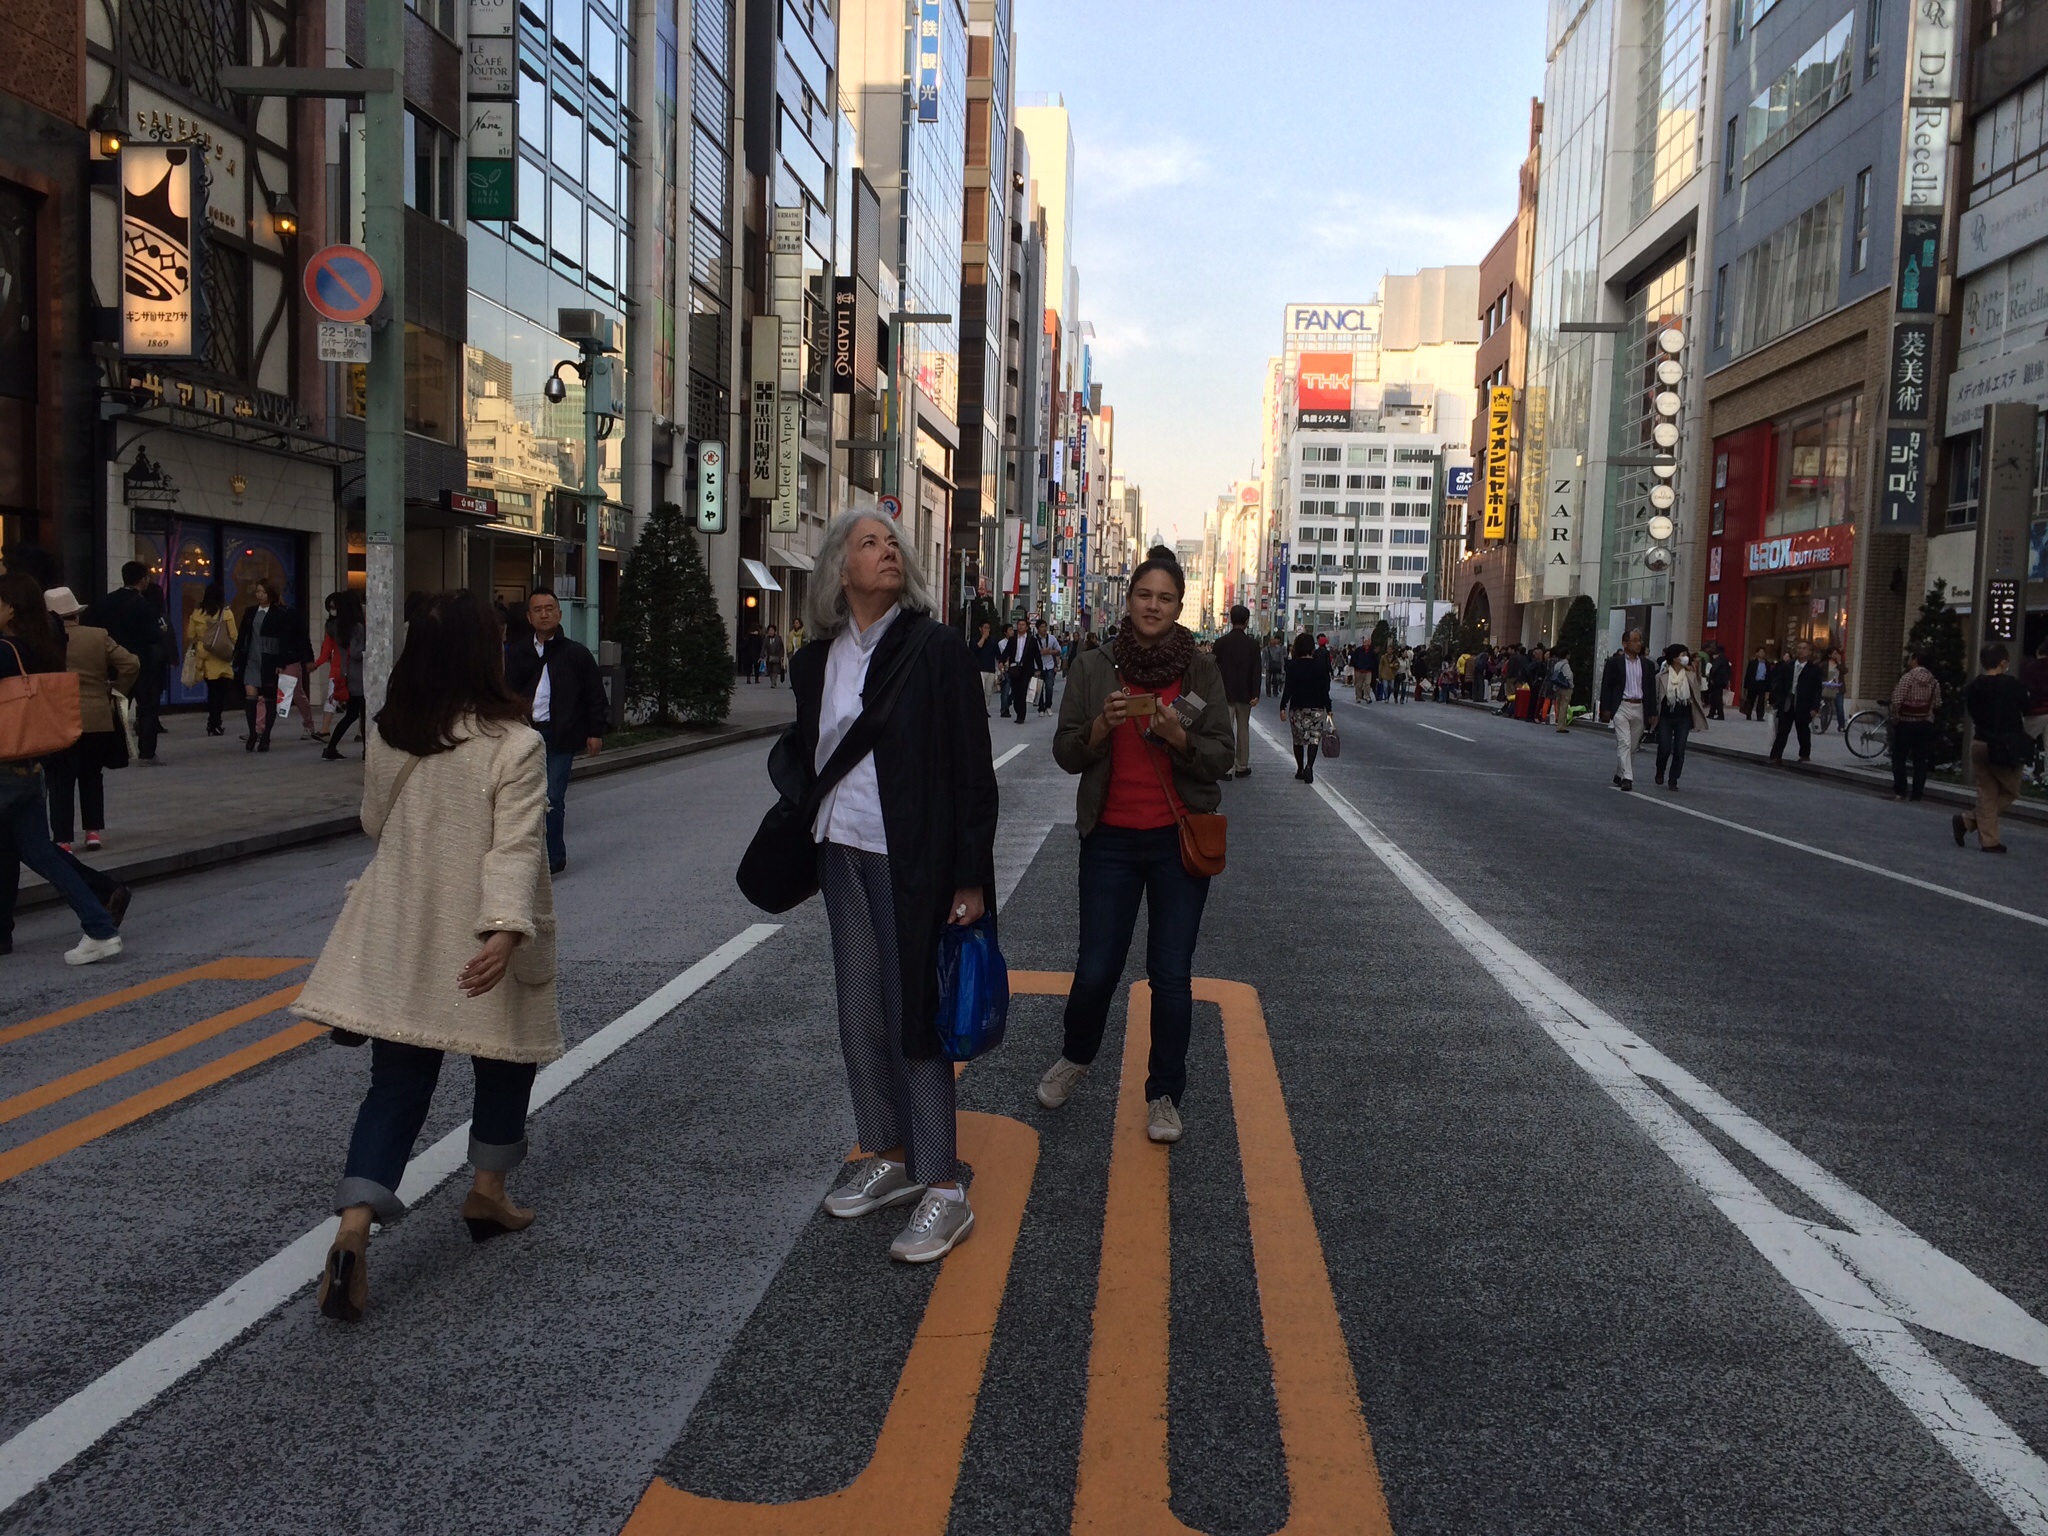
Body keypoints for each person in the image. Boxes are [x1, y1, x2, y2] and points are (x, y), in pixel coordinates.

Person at [294, 590, 560, 1323]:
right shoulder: (514, 744)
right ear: (484, 654)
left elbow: (374, 822)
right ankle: (488, 1192)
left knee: (397, 1083)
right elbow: (515, 846)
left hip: (404, 929)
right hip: (477, 929)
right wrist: (505, 928)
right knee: (504, 1055)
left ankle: (353, 1229)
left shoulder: (390, 736)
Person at [794, 510, 996, 1264]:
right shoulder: (817, 660)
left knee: (917, 1014)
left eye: (892, 543)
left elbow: (972, 769)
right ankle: (887, 1152)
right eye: (869, 543)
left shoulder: (935, 649)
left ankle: (943, 1185)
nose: (888, 552)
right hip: (839, 849)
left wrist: (971, 876)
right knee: (858, 1014)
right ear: (838, 569)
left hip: (911, 858)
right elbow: (809, 751)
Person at [1042, 547, 1231, 1146]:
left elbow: (1222, 755)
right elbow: (1066, 751)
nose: (1153, 606)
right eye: (1144, 595)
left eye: (1165, 598)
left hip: (1177, 839)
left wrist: (1178, 737)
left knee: (1171, 974)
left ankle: (1165, 1094)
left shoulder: (1200, 671)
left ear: (1179, 607)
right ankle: (1076, 1055)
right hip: (1110, 840)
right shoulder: (1094, 666)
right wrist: (1102, 726)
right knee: (1097, 966)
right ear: (1128, 600)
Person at [0, 574, 123, 963]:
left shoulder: (4, 651)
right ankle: (100, 927)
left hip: (3, 769)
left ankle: (100, 926)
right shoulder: (43, 645)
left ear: (10, 609)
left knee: (38, 853)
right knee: (41, 853)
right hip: (29, 765)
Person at [502, 589, 607, 876]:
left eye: (549, 609)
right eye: (538, 610)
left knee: (552, 796)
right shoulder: (518, 654)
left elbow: (594, 695)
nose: (544, 614)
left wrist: (595, 732)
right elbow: (507, 693)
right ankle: (526, 855)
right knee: (524, 797)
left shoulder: (576, 654)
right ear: (529, 617)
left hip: (560, 734)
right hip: (525, 735)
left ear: (559, 614)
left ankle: (553, 858)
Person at [42, 587, 138, 854]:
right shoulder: (98, 636)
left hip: (60, 718)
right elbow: (131, 663)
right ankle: (93, 832)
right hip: (97, 718)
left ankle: (63, 839)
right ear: (76, 613)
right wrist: (115, 689)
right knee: (92, 776)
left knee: (60, 780)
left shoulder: (44, 641)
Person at [86, 561, 169, 764]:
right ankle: (146, 753)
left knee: (116, 707)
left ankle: (114, 749)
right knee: (147, 708)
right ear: (142, 580)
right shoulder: (145, 606)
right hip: (143, 663)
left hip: (114, 662)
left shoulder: (105, 602)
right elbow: (154, 635)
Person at [1956, 643, 2030, 855]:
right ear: (2003, 663)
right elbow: (2027, 708)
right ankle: (1968, 821)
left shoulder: (1972, 687)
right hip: (2006, 746)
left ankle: (1988, 840)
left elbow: (1973, 713)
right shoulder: (2013, 685)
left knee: (1986, 792)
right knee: (2011, 790)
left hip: (1980, 742)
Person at [231, 578, 311, 752]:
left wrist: (281, 662)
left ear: (271, 594)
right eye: (258, 591)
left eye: (263, 592)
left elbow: (284, 639)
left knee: (269, 698)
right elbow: (243, 635)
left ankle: (266, 735)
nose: (260, 595)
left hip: (270, 659)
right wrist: (237, 655)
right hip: (252, 658)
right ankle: (253, 732)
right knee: (251, 696)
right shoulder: (250, 612)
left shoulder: (280, 614)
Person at [314, 591, 367, 762]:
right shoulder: (357, 627)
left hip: (345, 672)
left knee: (352, 714)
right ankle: (366, 750)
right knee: (362, 713)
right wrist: (370, 650)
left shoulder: (337, 627)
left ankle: (331, 747)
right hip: (358, 673)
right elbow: (357, 652)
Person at [1598, 629, 1652, 790]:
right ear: (1625, 643)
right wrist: (1605, 708)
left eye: (1639, 640)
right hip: (1621, 705)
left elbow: (1650, 689)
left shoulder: (1647, 665)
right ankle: (1628, 777)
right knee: (1624, 742)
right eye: (1634, 640)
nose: (1638, 644)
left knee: (1633, 745)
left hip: (1639, 706)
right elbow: (1606, 686)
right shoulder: (1614, 663)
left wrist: (1652, 712)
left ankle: (1619, 773)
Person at [1211, 605, 1260, 779]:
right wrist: (1255, 693)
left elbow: (1213, 668)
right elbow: (1256, 670)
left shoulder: (1220, 643)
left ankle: (1226, 767)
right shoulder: (1253, 644)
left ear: (1231, 620)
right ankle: (1241, 766)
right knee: (1243, 729)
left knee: (1225, 730)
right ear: (1246, 622)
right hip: (1245, 694)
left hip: (1224, 692)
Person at [1279, 631, 1334, 784]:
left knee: (1298, 739)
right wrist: (1329, 708)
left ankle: (1300, 768)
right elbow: (1324, 690)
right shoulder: (1319, 667)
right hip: (1316, 707)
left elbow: (1288, 688)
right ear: (1312, 648)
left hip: (1297, 707)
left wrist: (1283, 706)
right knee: (1313, 738)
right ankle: (1309, 766)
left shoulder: (1292, 666)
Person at [1888, 649, 1943, 803]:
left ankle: (1900, 790)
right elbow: (1937, 703)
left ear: (1916, 660)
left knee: (1899, 756)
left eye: (1911, 658)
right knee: (1920, 759)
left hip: (1906, 722)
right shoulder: (1933, 681)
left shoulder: (1908, 678)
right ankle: (1917, 794)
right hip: (1925, 723)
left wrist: (1895, 718)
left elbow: (1897, 700)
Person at [184, 583, 238, 735]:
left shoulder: (197, 614)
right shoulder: (226, 613)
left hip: (205, 656)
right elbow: (234, 636)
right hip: (222, 656)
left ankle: (212, 723)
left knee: (212, 692)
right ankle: (215, 722)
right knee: (220, 693)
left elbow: (190, 635)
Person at [1652, 644, 1708, 790]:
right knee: (1664, 748)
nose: (1685, 657)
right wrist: (1652, 715)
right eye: (1682, 654)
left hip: (1684, 717)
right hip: (1665, 717)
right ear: (1674, 657)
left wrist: (1696, 671)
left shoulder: (1690, 676)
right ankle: (1660, 770)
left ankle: (1673, 779)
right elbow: (1656, 698)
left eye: (1686, 654)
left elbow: (1697, 693)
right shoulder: (1661, 677)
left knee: (1679, 750)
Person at [1768, 639, 1824, 764]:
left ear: (1809, 652)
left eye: (1804, 648)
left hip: (1804, 704)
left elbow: (1817, 690)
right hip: (1788, 702)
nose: (1801, 651)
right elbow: (1779, 683)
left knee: (1803, 730)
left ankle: (1804, 755)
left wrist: (1815, 707)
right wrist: (1776, 700)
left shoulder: (1814, 669)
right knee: (1782, 730)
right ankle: (1775, 756)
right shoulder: (1788, 666)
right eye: (1799, 648)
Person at [2020, 638, 2048, 785]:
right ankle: (2046, 778)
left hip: (2036, 711)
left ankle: (2024, 769)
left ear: (2038, 652)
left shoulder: (2031, 668)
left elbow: (2029, 690)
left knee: (2022, 738)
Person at [1004, 619, 1040, 724]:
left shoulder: (1032, 640)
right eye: (1019, 624)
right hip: (1014, 668)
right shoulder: (1012, 639)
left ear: (1027, 627)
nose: (1020, 626)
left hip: (1026, 669)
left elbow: (1037, 655)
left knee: (1022, 691)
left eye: (1023, 625)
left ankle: (1021, 715)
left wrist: (1039, 669)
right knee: (1015, 692)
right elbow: (1007, 652)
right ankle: (1017, 710)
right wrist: (1002, 661)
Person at [973, 620, 1001, 716]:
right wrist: (983, 638)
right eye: (985, 628)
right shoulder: (976, 639)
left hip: (990, 669)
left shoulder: (993, 641)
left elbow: (998, 655)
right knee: (980, 690)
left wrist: (1001, 664)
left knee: (988, 692)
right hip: (979, 669)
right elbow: (976, 649)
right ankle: (979, 709)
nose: (987, 630)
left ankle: (986, 709)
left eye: (988, 628)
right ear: (980, 629)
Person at [1817, 647, 1846, 734]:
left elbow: (1844, 671)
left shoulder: (1840, 664)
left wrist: (1839, 662)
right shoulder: (1824, 664)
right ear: (1829, 655)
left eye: (1837, 653)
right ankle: (1824, 725)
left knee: (1840, 707)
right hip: (1827, 687)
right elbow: (1818, 673)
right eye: (1834, 653)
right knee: (1825, 707)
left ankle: (1841, 726)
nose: (1836, 655)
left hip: (1837, 688)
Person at [1549, 647, 1575, 732]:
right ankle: (1561, 726)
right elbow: (1569, 676)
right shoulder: (1566, 665)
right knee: (1564, 707)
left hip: (1558, 687)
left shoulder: (1557, 664)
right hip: (1565, 688)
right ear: (1567, 655)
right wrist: (1571, 685)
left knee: (1559, 706)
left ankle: (1559, 723)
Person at [1036, 619, 1059, 714]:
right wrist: (1040, 652)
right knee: (1039, 688)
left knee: (1049, 687)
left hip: (1049, 665)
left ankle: (1048, 705)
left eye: (1045, 626)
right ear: (1038, 629)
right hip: (1038, 666)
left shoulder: (1052, 638)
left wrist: (1049, 652)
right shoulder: (1034, 639)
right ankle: (1041, 707)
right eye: (1041, 627)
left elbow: (1058, 650)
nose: (1044, 629)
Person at [1743, 647, 1771, 720]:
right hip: (1754, 683)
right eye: (1760, 652)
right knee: (1751, 700)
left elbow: (1769, 676)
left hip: (1762, 683)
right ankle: (1748, 714)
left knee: (1761, 701)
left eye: (1763, 652)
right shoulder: (1752, 663)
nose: (1762, 653)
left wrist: (1768, 688)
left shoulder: (1767, 664)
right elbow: (1748, 674)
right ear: (1757, 653)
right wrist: (1746, 686)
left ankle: (1760, 716)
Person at [1706, 645, 1731, 721]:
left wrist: (1711, 678)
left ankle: (1720, 714)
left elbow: (1714, 669)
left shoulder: (1718, 659)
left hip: (1717, 680)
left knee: (1716, 698)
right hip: (1722, 680)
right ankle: (1712, 713)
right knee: (1715, 698)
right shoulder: (1725, 659)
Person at [1263, 634, 1286, 699]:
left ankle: (1275, 691)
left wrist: (1282, 667)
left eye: (1274, 640)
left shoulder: (1279, 648)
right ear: (1269, 641)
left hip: (1276, 666)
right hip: (1268, 666)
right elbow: (1264, 658)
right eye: (1271, 640)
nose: (1273, 641)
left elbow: (1281, 657)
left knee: (1276, 679)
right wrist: (1262, 665)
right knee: (1268, 680)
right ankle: (1268, 692)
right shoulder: (1266, 649)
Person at [1349, 638, 1372, 703]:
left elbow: (1374, 660)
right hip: (1359, 670)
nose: (1367, 644)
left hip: (1368, 670)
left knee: (1367, 684)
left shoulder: (1371, 651)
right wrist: (1356, 665)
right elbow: (1354, 658)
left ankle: (1367, 696)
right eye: (1365, 643)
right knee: (1359, 685)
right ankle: (1358, 697)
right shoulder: (1358, 650)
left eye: (1368, 643)